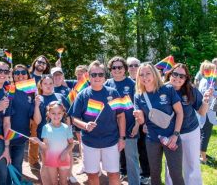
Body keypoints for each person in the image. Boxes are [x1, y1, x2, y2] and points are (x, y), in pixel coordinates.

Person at [70, 60, 134, 185]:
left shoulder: (113, 93)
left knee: (114, 174)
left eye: (100, 74)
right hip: (89, 142)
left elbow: (121, 116)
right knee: (93, 175)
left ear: (105, 76)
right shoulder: (82, 95)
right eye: (94, 75)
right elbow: (74, 119)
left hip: (111, 141)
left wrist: (122, 138)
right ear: (88, 76)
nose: (97, 77)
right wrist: (85, 125)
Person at [134, 62, 184, 185]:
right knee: (155, 174)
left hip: (171, 138)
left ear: (155, 74)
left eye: (148, 73)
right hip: (152, 140)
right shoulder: (138, 96)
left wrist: (175, 135)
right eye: (141, 74)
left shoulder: (167, 89)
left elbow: (180, 113)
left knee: (176, 174)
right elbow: (142, 121)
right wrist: (139, 118)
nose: (145, 77)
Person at [164, 63, 211, 185]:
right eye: (175, 74)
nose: (178, 78)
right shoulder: (161, 89)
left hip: (190, 131)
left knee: (192, 164)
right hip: (170, 134)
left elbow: (201, 112)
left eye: (182, 76)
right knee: (171, 166)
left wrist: (206, 101)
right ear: (170, 74)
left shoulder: (190, 90)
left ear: (186, 79)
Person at [104, 56, 140, 185]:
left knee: (132, 159)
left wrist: (137, 125)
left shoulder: (133, 84)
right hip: (112, 130)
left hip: (130, 128)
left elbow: (138, 107)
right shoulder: (106, 84)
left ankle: (135, 182)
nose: (117, 70)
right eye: (114, 68)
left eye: (120, 67)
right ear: (110, 70)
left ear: (125, 69)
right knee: (113, 160)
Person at [33, 74, 70, 184]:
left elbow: (67, 116)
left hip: (62, 138)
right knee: (47, 166)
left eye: (50, 83)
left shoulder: (60, 97)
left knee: (62, 166)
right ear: (41, 85)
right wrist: (36, 105)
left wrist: (69, 133)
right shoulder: (38, 99)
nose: (48, 86)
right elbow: (37, 121)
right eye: (45, 84)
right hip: (46, 139)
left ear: (54, 84)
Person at [31, 101, 74, 185]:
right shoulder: (45, 128)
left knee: (63, 182)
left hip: (64, 158)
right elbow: (46, 147)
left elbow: (71, 144)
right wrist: (38, 141)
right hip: (51, 159)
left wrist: (65, 152)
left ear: (63, 114)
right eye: (53, 113)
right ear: (49, 114)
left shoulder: (66, 128)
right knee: (53, 182)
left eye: (59, 113)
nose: (56, 116)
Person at [6, 64, 34, 178]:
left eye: (23, 73)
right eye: (17, 73)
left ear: (28, 75)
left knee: (17, 166)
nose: (20, 75)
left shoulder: (31, 92)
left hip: (21, 136)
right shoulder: (8, 88)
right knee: (4, 169)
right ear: (13, 76)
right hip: (5, 136)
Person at [28, 55, 51, 170]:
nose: (41, 64)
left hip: (39, 112)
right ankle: (30, 160)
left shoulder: (46, 78)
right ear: (35, 63)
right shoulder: (28, 76)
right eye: (39, 62)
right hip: (26, 111)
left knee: (35, 136)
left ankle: (34, 161)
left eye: (44, 63)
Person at [198, 60, 217, 164]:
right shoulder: (207, 82)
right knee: (206, 134)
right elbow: (208, 96)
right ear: (206, 71)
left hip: (205, 112)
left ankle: (201, 154)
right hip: (207, 113)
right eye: (212, 69)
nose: (215, 71)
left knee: (202, 133)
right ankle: (203, 158)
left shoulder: (205, 80)